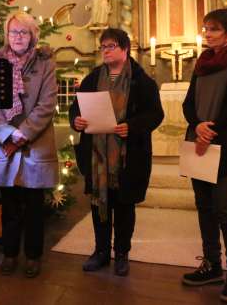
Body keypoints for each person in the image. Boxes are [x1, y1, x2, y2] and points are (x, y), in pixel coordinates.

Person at [69, 28, 163, 276]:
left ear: (125, 48)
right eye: (103, 47)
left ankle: (121, 253)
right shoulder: (92, 79)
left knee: (123, 206)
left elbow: (155, 114)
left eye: (111, 46)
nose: (106, 51)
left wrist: (132, 126)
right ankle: (101, 251)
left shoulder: (141, 81)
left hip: (127, 157)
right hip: (96, 157)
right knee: (99, 203)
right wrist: (76, 120)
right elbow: (75, 108)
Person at [181, 8, 227, 303]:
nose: (207, 34)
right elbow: (188, 103)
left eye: (213, 29)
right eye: (205, 29)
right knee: (204, 206)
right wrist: (196, 124)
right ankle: (212, 264)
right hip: (199, 141)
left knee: (224, 209)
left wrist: (211, 129)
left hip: (226, 144)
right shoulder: (203, 62)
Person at [0, 12, 58, 278]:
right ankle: (10, 253)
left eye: (23, 33)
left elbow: (48, 103)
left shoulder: (45, 63)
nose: (17, 37)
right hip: (3, 141)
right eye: (13, 32)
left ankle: (34, 256)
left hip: (34, 142)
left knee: (34, 205)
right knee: (10, 204)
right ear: (7, 35)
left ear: (32, 36)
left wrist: (23, 133)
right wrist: (6, 132)